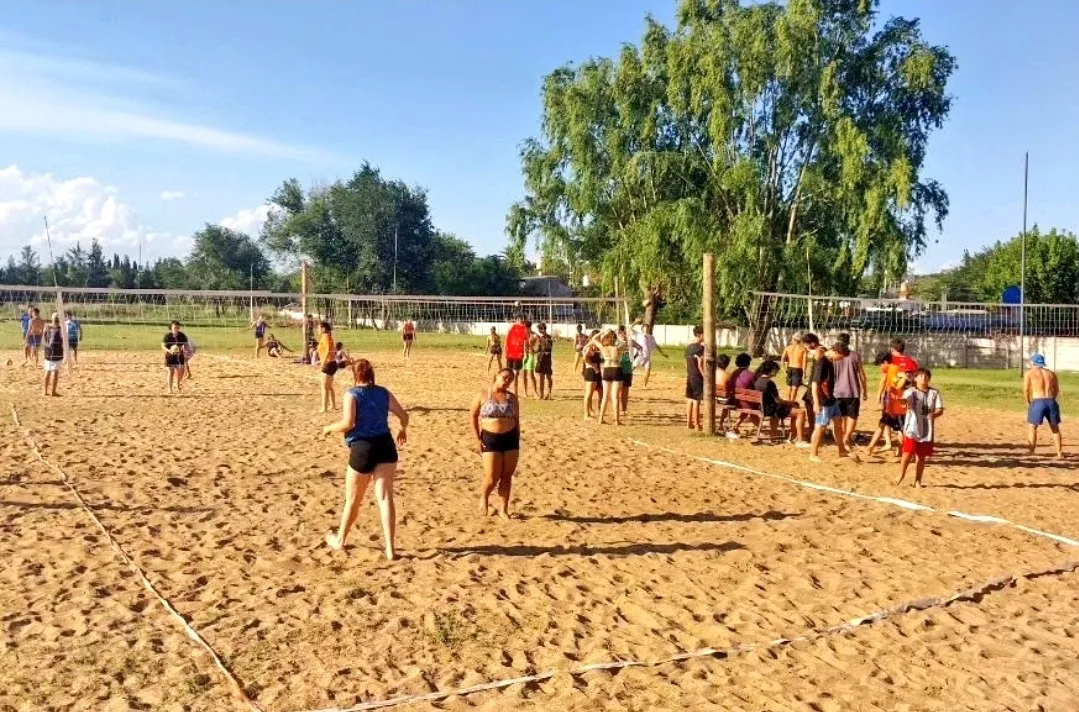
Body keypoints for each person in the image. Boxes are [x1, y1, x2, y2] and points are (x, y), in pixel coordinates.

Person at [321, 359, 408, 559]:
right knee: (385, 498)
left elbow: (348, 423)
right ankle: (390, 549)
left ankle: (340, 540)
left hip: (363, 448)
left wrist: (328, 428)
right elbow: (404, 415)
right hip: (385, 446)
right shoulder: (383, 392)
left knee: (353, 500)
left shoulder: (352, 394)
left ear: (355, 375)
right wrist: (403, 429)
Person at [469, 368, 521, 519]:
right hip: (490, 438)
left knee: (507, 475)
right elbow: (473, 416)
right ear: (497, 375)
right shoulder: (483, 394)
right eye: (504, 377)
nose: (507, 381)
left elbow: (517, 419)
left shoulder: (512, 398)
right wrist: (477, 438)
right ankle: (484, 497)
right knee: (492, 476)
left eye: (510, 380)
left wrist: (517, 436)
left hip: (510, 438)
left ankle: (503, 509)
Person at [895, 368, 944, 487]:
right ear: (916, 378)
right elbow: (905, 401)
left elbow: (940, 409)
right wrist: (902, 402)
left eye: (926, 376)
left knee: (921, 457)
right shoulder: (911, 391)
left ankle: (917, 480)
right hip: (912, 428)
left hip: (927, 430)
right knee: (907, 452)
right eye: (921, 375)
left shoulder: (934, 393)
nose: (924, 378)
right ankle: (901, 475)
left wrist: (935, 414)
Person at [809, 344, 857, 463]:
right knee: (820, 426)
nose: (840, 360)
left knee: (838, 422)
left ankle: (841, 450)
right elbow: (814, 384)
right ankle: (813, 453)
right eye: (840, 357)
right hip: (822, 400)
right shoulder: (822, 362)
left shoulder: (830, 362)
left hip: (831, 399)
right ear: (835, 352)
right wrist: (816, 403)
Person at [865, 349, 911, 460]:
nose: (881, 368)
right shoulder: (893, 369)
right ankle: (870, 448)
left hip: (898, 406)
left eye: (880, 364)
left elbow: (900, 384)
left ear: (885, 362)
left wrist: (903, 379)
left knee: (902, 430)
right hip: (892, 405)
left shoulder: (894, 369)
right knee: (882, 424)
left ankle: (903, 452)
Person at [754, 360, 808, 445]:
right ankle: (799, 440)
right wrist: (790, 402)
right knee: (801, 412)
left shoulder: (758, 380)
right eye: (776, 370)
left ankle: (785, 435)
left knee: (794, 405)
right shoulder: (769, 383)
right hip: (772, 410)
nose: (776, 372)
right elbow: (778, 400)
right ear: (771, 370)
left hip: (762, 408)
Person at [1025, 353, 1063, 458]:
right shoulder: (1052, 373)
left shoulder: (1029, 373)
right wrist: (1052, 399)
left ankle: (1031, 451)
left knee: (1032, 427)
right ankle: (1059, 452)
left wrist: (1027, 401)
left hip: (1038, 401)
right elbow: (1057, 390)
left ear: (1033, 362)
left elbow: (1026, 389)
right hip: (1051, 401)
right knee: (1055, 428)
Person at [832, 336, 867, 447]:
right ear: (848, 343)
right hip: (852, 391)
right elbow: (861, 374)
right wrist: (865, 390)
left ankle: (842, 437)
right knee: (852, 416)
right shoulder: (855, 355)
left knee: (840, 416)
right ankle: (846, 437)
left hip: (836, 391)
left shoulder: (833, 357)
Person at [685, 326, 705, 431]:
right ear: (699, 335)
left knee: (690, 400)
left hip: (690, 375)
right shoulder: (701, 348)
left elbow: (686, 363)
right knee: (697, 401)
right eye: (704, 334)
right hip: (697, 377)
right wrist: (705, 376)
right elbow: (700, 365)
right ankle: (697, 424)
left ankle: (688, 423)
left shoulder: (688, 347)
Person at [316, 322, 339, 413]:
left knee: (324, 387)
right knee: (329, 386)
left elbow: (329, 349)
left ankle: (324, 408)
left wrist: (323, 362)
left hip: (329, 364)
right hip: (332, 363)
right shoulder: (328, 336)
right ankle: (333, 405)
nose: (317, 329)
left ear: (323, 328)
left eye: (318, 328)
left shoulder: (325, 336)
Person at [162, 321, 189, 394]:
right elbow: (163, 346)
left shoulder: (182, 336)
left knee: (181, 372)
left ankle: (177, 383)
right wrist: (169, 350)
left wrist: (182, 350)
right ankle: (170, 389)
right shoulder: (167, 336)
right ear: (171, 327)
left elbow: (186, 345)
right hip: (170, 356)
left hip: (179, 355)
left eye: (177, 327)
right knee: (171, 372)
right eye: (174, 327)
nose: (176, 328)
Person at [505, 316, 529, 395]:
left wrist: (527, 354)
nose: (522, 321)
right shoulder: (514, 327)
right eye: (521, 319)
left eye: (523, 319)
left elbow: (526, 343)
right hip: (513, 354)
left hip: (515, 354)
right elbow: (506, 339)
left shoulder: (513, 327)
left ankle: (514, 392)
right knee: (513, 373)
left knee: (513, 373)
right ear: (517, 320)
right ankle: (511, 392)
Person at [780, 333, 808, 401]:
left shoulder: (788, 348)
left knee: (789, 387)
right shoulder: (803, 349)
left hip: (789, 369)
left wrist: (783, 368)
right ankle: (791, 403)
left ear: (794, 339)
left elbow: (782, 358)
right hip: (798, 369)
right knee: (794, 388)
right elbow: (804, 362)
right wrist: (804, 373)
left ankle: (789, 402)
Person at [42, 313, 64, 396]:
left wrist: (46, 347)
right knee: (55, 372)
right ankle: (53, 392)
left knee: (47, 371)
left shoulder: (47, 327)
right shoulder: (61, 328)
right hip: (57, 352)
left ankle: (45, 391)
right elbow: (64, 340)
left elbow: (44, 339)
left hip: (48, 352)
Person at [582, 329, 602, 419]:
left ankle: (590, 412)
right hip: (590, 372)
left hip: (595, 372)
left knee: (594, 392)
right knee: (588, 394)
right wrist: (594, 366)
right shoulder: (589, 346)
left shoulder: (594, 346)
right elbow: (585, 358)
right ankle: (586, 415)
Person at [535, 322, 554, 400]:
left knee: (548, 377)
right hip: (541, 359)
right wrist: (534, 350)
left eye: (541, 329)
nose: (540, 331)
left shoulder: (549, 338)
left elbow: (549, 348)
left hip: (547, 359)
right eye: (540, 330)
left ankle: (549, 393)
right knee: (541, 377)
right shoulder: (540, 338)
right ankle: (542, 394)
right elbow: (539, 349)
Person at [521, 321, 539, 398]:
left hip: (530, 355)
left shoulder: (534, 335)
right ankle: (525, 392)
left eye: (525, 327)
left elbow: (540, 343)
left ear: (528, 327)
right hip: (522, 355)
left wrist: (535, 350)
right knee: (524, 374)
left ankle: (535, 392)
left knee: (531, 374)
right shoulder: (522, 334)